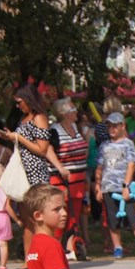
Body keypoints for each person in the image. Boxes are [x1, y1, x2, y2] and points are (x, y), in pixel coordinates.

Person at [0, 83, 64, 265]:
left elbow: (42, 149)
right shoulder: (24, 118)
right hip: (23, 172)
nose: (18, 106)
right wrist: (11, 137)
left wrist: (18, 138)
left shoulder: (39, 118)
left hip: (34, 174)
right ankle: (29, 261)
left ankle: (43, 257)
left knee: (37, 218)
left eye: (19, 102)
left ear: (28, 99)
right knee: (27, 220)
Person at [95, 112, 135, 259]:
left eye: (115, 125)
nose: (112, 128)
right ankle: (117, 247)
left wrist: (125, 186)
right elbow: (100, 167)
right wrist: (98, 186)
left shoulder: (128, 144)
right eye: (109, 126)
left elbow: (131, 165)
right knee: (112, 219)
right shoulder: (104, 145)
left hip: (124, 188)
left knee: (133, 218)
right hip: (108, 187)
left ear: (123, 126)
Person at [48, 98, 89, 258]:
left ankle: (70, 248)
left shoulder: (75, 128)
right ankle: (54, 247)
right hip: (61, 180)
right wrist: (60, 168)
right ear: (64, 113)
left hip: (78, 180)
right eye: (73, 109)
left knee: (74, 216)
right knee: (60, 214)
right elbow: (48, 151)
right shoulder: (55, 131)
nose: (76, 112)